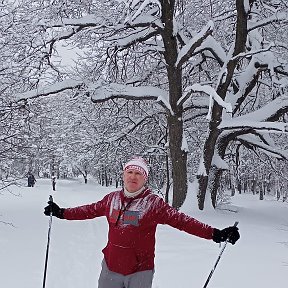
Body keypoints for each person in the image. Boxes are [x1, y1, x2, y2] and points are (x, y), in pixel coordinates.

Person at [44, 156, 240, 288]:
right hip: (110, 268)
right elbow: (88, 210)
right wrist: (61, 212)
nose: (133, 177)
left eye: (138, 174)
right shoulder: (111, 199)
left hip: (139, 272)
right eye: (130, 172)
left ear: (144, 178)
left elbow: (183, 221)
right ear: (124, 175)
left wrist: (215, 233)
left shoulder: (153, 204)